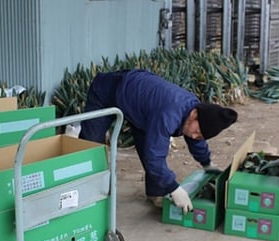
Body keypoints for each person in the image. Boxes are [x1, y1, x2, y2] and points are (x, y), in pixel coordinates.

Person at [79, 69, 238, 213]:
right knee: (91, 146)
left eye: (201, 136)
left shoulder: (193, 110)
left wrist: (206, 163)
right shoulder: (169, 114)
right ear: (194, 115)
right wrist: (174, 188)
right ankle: (82, 195)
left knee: (149, 143)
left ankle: (156, 193)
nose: (195, 136)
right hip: (107, 90)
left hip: (140, 105)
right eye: (197, 131)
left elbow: (195, 138)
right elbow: (154, 158)